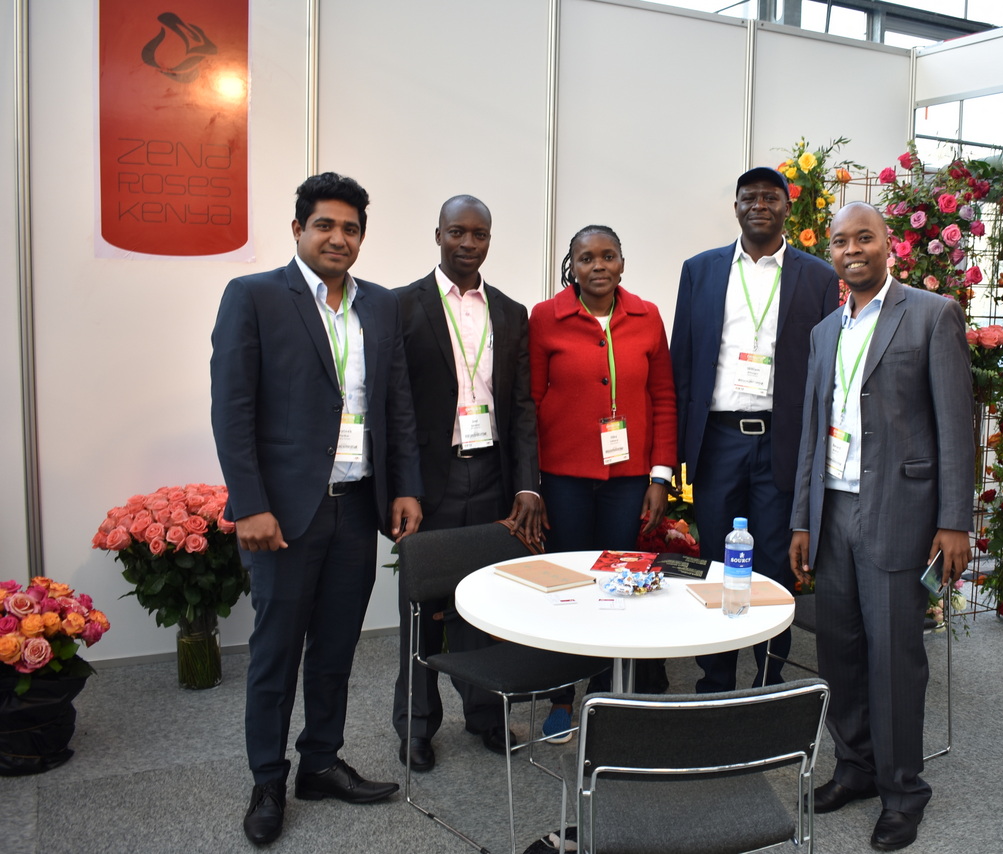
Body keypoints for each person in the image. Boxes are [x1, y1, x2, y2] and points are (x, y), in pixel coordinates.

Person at [211, 172, 423, 846]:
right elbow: (232, 410)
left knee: (335, 649)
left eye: (351, 228)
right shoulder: (253, 296)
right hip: (282, 516)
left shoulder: (380, 305)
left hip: (357, 508)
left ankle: (321, 763)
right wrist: (249, 505)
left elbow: (396, 406)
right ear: (298, 229)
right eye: (325, 225)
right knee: (275, 653)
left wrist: (405, 487)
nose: (339, 238)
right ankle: (267, 781)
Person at [788, 202, 974, 851]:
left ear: (887, 244)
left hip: (899, 510)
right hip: (833, 511)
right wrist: (802, 519)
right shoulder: (824, 332)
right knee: (838, 651)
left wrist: (954, 521)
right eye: (841, 241)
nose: (852, 250)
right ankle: (856, 768)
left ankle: (902, 791)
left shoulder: (931, 315)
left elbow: (955, 425)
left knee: (894, 657)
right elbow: (812, 432)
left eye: (863, 237)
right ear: (832, 254)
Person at [670, 167, 840, 693]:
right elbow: (683, 360)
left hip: (782, 438)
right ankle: (715, 677)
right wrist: (676, 452)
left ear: (787, 207)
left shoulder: (817, 276)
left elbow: (828, 367)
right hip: (718, 439)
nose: (759, 205)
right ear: (737, 208)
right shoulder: (700, 270)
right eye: (749, 197)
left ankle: (769, 678)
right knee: (716, 559)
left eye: (770, 197)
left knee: (772, 561)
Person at [393, 195, 542, 769]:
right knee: (422, 608)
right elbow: (397, 407)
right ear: (438, 235)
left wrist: (527, 486)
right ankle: (416, 727)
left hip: (493, 477)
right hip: (432, 480)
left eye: (479, 234)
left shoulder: (510, 312)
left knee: (488, 603)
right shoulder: (402, 306)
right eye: (457, 232)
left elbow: (522, 407)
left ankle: (486, 713)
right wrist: (403, 487)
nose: (468, 243)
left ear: (489, 240)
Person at [528, 224, 677, 738]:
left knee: (620, 585)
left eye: (608, 256)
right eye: (587, 257)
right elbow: (531, 400)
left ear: (622, 263)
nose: (598, 266)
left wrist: (660, 477)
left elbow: (663, 398)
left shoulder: (647, 316)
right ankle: (561, 696)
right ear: (571, 266)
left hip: (629, 478)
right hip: (563, 477)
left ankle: (608, 692)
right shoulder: (545, 317)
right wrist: (532, 481)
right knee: (568, 585)